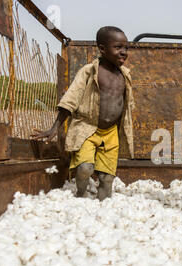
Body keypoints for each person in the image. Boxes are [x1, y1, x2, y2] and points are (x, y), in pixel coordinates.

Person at [31, 26, 136, 201]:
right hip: (87, 128)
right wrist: (54, 127)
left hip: (111, 133)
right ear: (102, 49)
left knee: (107, 177)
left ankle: (103, 208)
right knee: (85, 168)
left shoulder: (125, 75)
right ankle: (81, 195)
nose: (124, 52)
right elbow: (70, 99)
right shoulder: (89, 72)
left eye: (126, 48)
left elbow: (125, 105)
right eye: (118, 47)